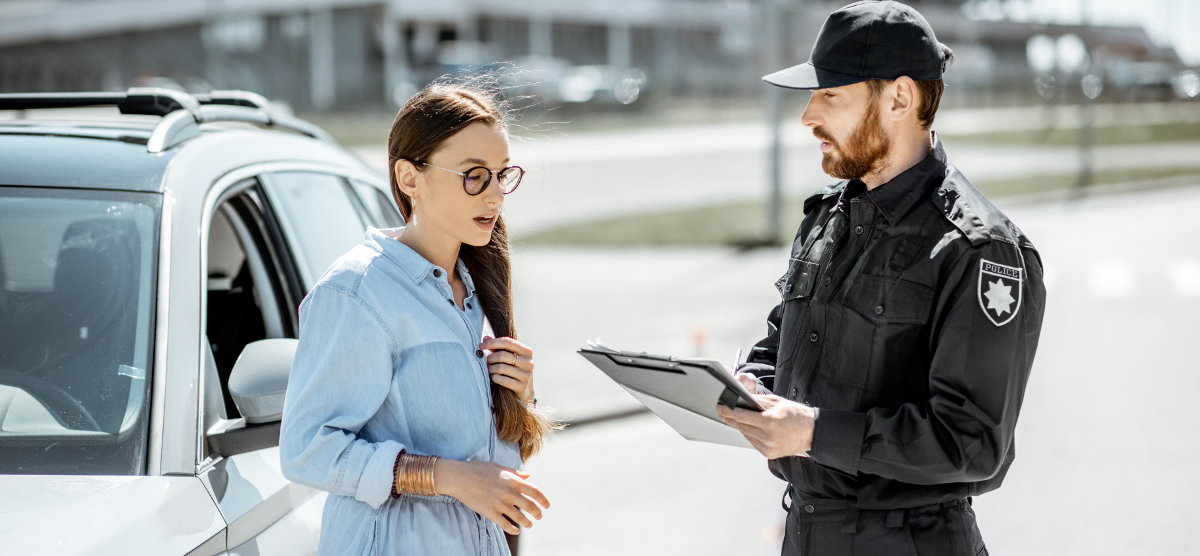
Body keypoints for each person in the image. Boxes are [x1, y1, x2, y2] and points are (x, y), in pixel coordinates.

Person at [715, 2, 1046, 554]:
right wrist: (748, 384)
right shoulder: (828, 218)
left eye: (830, 96)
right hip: (806, 533)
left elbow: (974, 444)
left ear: (899, 97)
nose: (807, 117)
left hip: (909, 541)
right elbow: (780, 343)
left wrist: (815, 433)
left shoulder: (977, 249)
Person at [279, 82, 557, 556]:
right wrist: (445, 477)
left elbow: (494, 470)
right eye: (474, 176)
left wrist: (521, 398)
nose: (496, 196)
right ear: (409, 178)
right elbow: (306, 449)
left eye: (501, 174)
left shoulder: (476, 290)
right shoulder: (357, 291)